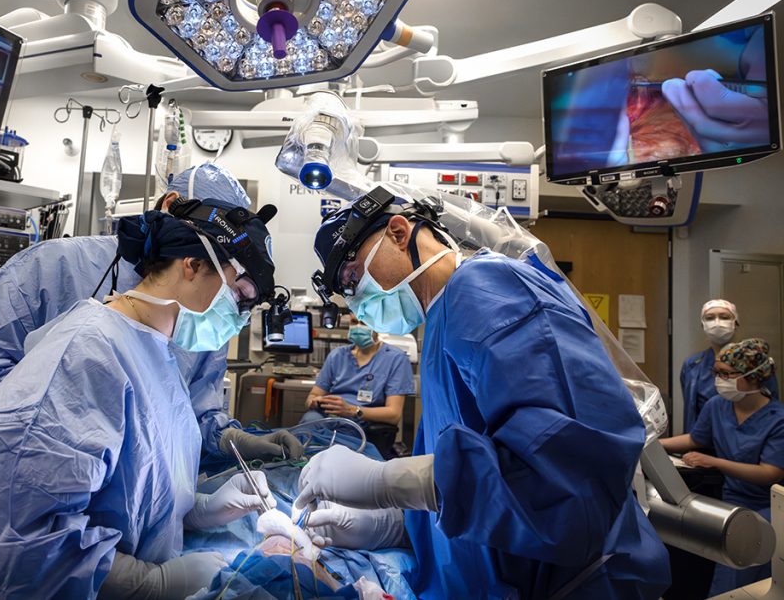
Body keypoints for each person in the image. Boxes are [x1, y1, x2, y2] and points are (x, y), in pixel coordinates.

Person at [294, 187, 670, 599]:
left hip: (571, 586)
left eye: (353, 277)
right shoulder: (439, 320)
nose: (358, 301)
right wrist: (399, 524)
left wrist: (384, 482)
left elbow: (565, 487)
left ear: (399, 232)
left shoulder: (489, 289)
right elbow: (463, 476)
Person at [0, 198, 282, 599]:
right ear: (191, 264)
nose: (240, 317)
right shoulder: (87, 354)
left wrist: (199, 509)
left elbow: (136, 490)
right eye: (239, 295)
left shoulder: (156, 355)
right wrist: (151, 583)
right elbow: (21, 535)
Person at [0, 162, 302, 463]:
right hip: (31, 467)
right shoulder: (55, 266)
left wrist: (233, 442)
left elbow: (196, 411)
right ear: (171, 205)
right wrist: (58, 430)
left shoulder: (204, 309)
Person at [661, 338, 784, 596]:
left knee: (743, 582)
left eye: (726, 374)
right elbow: (696, 438)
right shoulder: (717, 406)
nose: (719, 380)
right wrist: (652, 443)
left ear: (754, 376)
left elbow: (769, 473)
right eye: (716, 374)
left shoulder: (777, 420)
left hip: (766, 508)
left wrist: (713, 461)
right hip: (729, 502)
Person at [681, 300, 778, 433]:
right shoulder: (692, 365)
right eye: (710, 318)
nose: (717, 323)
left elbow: (770, 407)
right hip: (701, 440)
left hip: (748, 438)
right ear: (702, 325)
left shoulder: (755, 363)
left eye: (724, 317)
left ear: (736, 323)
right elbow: (691, 410)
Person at [301, 317, 414, 428]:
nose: (358, 327)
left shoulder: (395, 358)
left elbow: (394, 415)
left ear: (379, 325)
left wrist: (352, 410)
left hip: (359, 426)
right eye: (354, 322)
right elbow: (313, 396)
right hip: (326, 417)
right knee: (305, 427)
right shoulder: (337, 355)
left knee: (327, 440)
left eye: (365, 323)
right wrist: (315, 402)